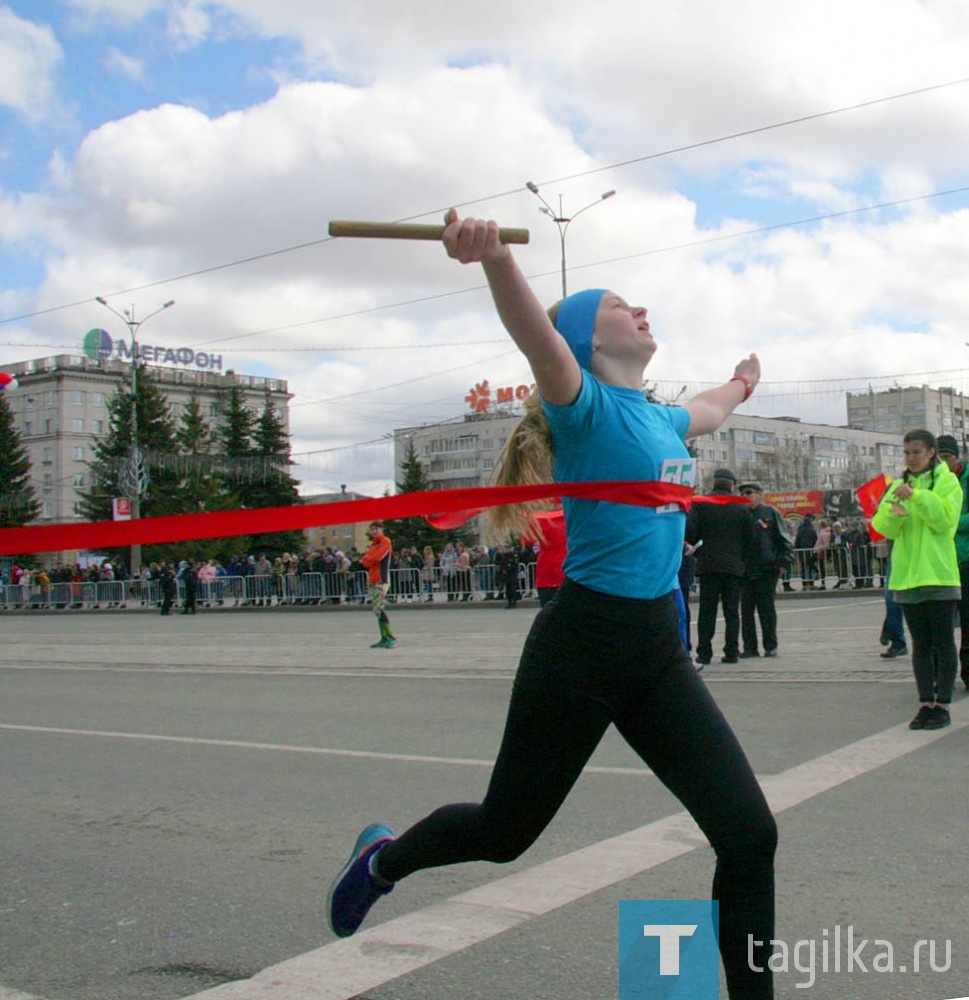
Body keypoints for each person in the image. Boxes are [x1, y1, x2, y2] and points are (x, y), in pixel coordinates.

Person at [326, 212, 776, 999]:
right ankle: (383, 860)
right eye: (617, 305)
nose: (638, 310)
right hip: (582, 646)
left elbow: (708, 409)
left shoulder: (658, 415)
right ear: (588, 342)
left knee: (749, 835)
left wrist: (742, 383)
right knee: (504, 834)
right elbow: (534, 337)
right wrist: (496, 257)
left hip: (656, 653)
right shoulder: (583, 405)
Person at [872, 429, 962, 730]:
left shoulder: (946, 481)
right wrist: (896, 514)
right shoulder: (898, 484)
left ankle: (943, 704)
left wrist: (919, 497)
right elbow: (884, 526)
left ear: (931, 452)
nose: (911, 458)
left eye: (916, 452)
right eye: (907, 452)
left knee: (943, 641)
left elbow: (945, 521)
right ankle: (926, 703)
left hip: (938, 573)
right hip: (908, 577)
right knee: (921, 644)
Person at [686, 468, 755, 667]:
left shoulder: (700, 504)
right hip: (733, 567)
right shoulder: (741, 508)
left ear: (714, 483)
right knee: (732, 611)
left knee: (707, 611)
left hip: (708, 566)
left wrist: (700, 552)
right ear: (731, 485)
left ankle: (704, 653)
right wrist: (742, 561)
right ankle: (731, 651)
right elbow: (750, 538)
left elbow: (690, 533)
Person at [738, 483, 793, 659]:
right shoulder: (741, 514)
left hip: (767, 569)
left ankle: (770, 646)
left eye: (750, 493)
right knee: (746, 611)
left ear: (760, 495)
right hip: (745, 569)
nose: (747, 497)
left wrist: (783, 561)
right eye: (743, 494)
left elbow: (784, 538)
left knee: (766, 609)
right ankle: (750, 647)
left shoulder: (770, 512)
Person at [937, 433, 969, 690]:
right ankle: (940, 674)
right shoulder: (933, 481)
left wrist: (950, 521)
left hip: (965, 557)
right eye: (938, 457)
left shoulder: (966, 479)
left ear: (957, 456)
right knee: (939, 623)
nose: (943, 462)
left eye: (946, 457)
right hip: (940, 561)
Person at [361, 521, 396, 649]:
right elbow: (365, 561)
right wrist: (368, 559)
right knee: (377, 609)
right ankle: (384, 637)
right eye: (372, 529)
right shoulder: (373, 545)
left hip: (382, 580)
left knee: (379, 608)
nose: (374, 531)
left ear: (381, 529)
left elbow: (376, 558)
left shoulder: (385, 541)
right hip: (373, 580)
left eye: (376, 529)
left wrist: (369, 559)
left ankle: (390, 637)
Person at [794, 513, 818, 590]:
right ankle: (811, 583)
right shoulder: (811, 530)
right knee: (810, 567)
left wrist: (797, 550)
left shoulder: (800, 529)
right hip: (810, 551)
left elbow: (797, 541)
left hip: (801, 552)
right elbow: (815, 540)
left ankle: (804, 584)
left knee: (804, 568)